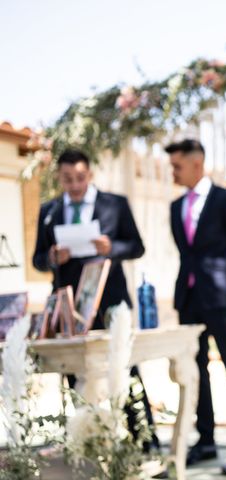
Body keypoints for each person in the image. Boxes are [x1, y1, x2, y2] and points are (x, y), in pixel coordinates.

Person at [32, 148, 157, 449]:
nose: (74, 185)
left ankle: (144, 440)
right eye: (67, 179)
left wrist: (110, 248)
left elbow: (137, 247)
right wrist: (51, 257)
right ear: (59, 178)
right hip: (70, 307)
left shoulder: (115, 204)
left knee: (125, 366)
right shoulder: (49, 212)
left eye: (79, 178)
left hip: (111, 299)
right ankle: (88, 440)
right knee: (75, 372)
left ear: (89, 174)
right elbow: (37, 259)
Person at [166, 139, 226, 471]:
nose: (173, 172)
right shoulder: (175, 207)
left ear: (197, 163)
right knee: (195, 368)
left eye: (177, 166)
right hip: (188, 298)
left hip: (220, 296)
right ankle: (204, 440)